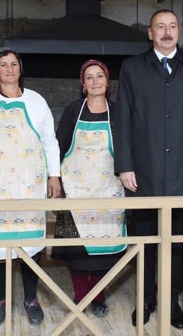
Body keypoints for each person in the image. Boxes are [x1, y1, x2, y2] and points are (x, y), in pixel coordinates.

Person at [114, 9, 183, 329]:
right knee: (145, 239)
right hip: (143, 171)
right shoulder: (132, 68)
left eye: (172, 26)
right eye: (160, 27)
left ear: (179, 31)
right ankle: (145, 299)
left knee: (176, 240)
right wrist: (125, 165)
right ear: (150, 33)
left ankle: (171, 301)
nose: (167, 32)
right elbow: (123, 119)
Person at [0, 47, 61, 327]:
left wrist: (54, 176)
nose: (9, 69)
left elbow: (49, 141)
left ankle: (31, 299)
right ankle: (0, 299)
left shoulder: (36, 101)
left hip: (29, 185)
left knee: (31, 246)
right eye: (3, 64)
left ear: (21, 69)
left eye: (14, 64)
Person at [51, 59, 126, 318]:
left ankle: (99, 295)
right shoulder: (73, 111)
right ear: (83, 84)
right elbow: (59, 146)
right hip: (76, 189)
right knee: (77, 250)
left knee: (104, 248)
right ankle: (81, 294)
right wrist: (55, 180)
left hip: (108, 188)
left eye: (99, 76)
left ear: (107, 82)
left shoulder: (118, 112)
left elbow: (128, 148)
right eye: (89, 78)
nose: (95, 82)